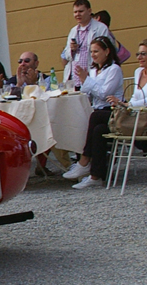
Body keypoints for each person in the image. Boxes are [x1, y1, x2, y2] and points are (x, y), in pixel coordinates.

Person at [62, 36, 122, 189]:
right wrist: (85, 81)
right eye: (91, 51)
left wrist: (86, 80)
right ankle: (96, 176)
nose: (93, 55)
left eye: (96, 51)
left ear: (107, 51)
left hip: (114, 113)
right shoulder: (94, 70)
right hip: (99, 114)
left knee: (95, 117)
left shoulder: (114, 69)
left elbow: (104, 94)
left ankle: (84, 160)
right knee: (98, 131)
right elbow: (88, 93)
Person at [61, 0, 113, 89]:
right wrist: (71, 49)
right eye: (75, 12)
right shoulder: (73, 31)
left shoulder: (100, 28)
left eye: (81, 11)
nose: (78, 14)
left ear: (89, 11)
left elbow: (107, 51)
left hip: (92, 75)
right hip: (75, 78)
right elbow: (66, 55)